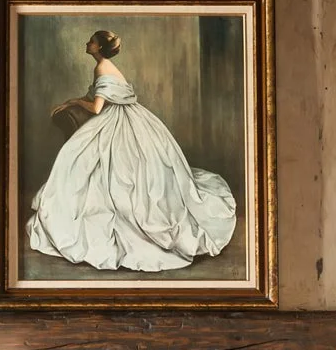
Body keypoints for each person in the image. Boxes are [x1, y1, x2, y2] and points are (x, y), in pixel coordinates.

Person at [27, 29, 237, 272]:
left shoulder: (102, 67)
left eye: (91, 41)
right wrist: (73, 100)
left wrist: (74, 103)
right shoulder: (105, 67)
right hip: (128, 116)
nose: (87, 43)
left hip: (118, 121)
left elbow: (96, 108)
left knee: (96, 166)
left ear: (98, 47)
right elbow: (96, 94)